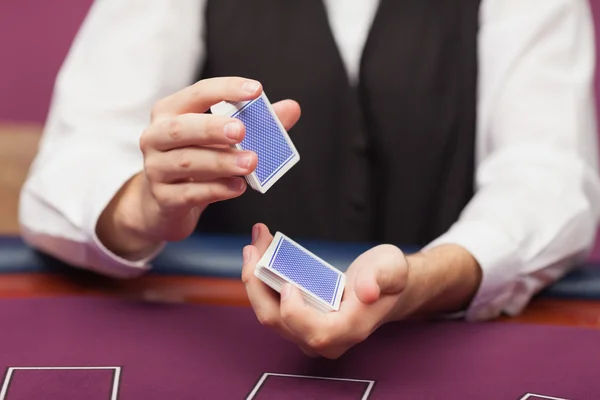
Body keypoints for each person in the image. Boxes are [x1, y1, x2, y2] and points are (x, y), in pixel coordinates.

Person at [19, 0, 600, 359]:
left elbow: (547, 176)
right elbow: (70, 168)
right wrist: (146, 205)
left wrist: (424, 279)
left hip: (450, 354)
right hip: (219, 351)